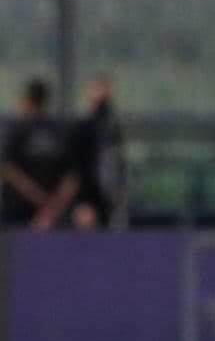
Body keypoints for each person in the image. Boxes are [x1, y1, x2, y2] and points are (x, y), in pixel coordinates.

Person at [1, 78, 80, 229]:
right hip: (49, 213)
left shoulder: (14, 129)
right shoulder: (60, 130)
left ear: (25, 99)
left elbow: (8, 170)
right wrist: (50, 207)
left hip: (19, 214)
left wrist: (43, 203)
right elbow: (71, 177)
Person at [70, 74, 127, 230]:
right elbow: (76, 167)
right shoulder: (83, 127)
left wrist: (119, 187)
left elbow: (117, 160)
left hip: (107, 194)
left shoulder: (112, 128)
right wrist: (80, 201)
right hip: (87, 194)